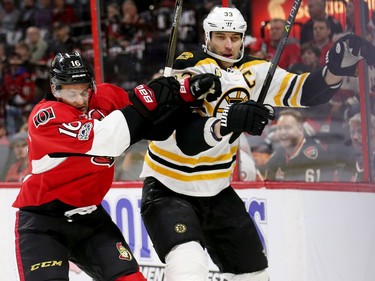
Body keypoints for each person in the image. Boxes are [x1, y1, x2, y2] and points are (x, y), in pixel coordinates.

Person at [139, 6, 375, 281]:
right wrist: (228, 121)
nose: (228, 45)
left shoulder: (256, 70)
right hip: (169, 189)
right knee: (188, 269)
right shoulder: (189, 66)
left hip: (217, 191)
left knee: (254, 276)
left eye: (235, 37)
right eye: (220, 37)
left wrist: (336, 68)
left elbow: (307, 91)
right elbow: (186, 138)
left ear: (243, 38)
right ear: (207, 37)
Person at [12, 51, 221, 281]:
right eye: (71, 93)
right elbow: (107, 139)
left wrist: (186, 94)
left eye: (84, 90)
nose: (80, 100)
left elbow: (150, 122)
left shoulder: (105, 96)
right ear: (54, 89)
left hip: (90, 218)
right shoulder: (46, 117)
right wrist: (150, 97)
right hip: (43, 223)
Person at [262, 109, 335, 181]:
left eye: (287, 128)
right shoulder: (275, 158)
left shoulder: (320, 157)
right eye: (279, 128)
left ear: (300, 130)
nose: (282, 132)